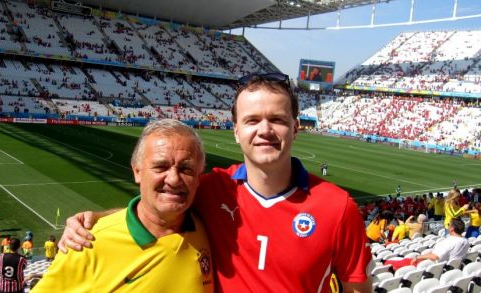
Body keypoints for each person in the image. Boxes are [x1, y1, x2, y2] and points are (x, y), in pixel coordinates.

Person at [60, 73, 372, 292]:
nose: (264, 129)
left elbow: (356, 288)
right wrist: (95, 220)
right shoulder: (211, 189)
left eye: (276, 119)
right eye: (252, 120)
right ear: (235, 130)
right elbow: (156, 210)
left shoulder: (337, 207)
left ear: (295, 127)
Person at [32, 119, 213, 292]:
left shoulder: (210, 224)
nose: (174, 179)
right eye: (160, 167)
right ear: (137, 171)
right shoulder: (87, 244)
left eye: (186, 169)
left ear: (198, 177)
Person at [386, 218, 469, 271]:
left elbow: (435, 256)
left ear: (452, 229)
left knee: (389, 262)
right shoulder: (465, 241)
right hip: (450, 266)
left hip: (433, 266)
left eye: (448, 225)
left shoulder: (449, 241)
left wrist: (417, 257)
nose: (447, 226)